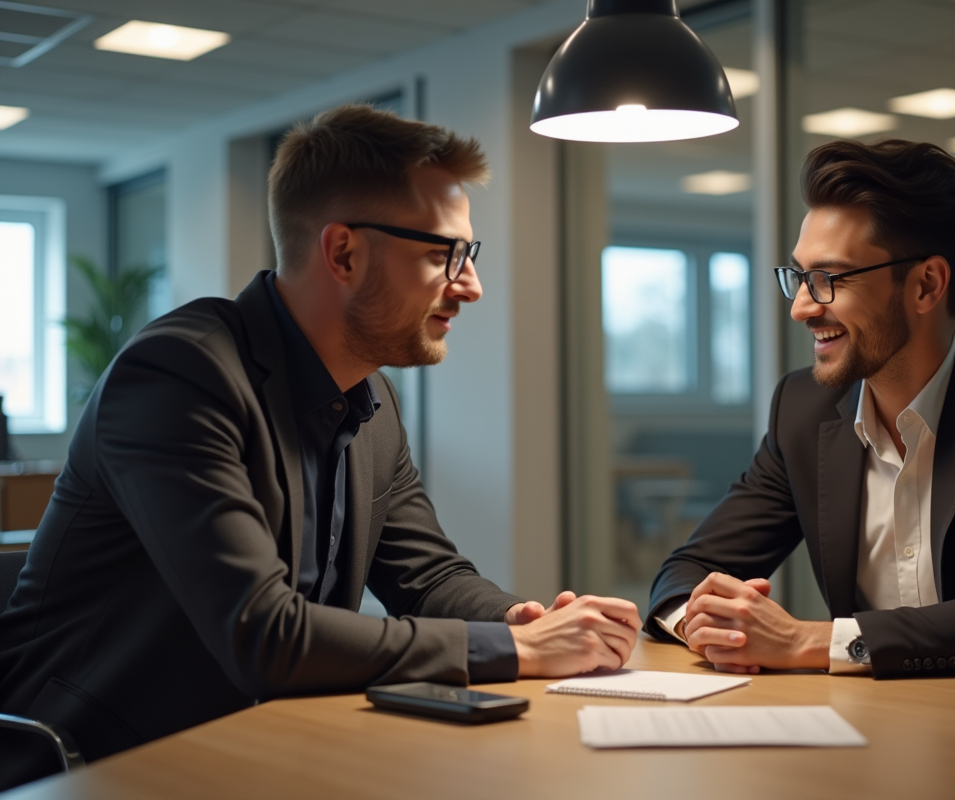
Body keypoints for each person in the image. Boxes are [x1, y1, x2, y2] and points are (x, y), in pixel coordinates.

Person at [0, 104, 640, 787]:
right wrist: (514, 649)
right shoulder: (178, 377)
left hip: (261, 746)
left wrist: (525, 619)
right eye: (441, 254)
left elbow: (427, 577)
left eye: (468, 255)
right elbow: (265, 634)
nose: (471, 286)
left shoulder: (372, 399)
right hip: (92, 763)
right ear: (343, 252)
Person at [646, 138, 955, 684]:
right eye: (798, 276)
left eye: (829, 280)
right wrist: (710, 626)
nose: (801, 307)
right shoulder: (803, 410)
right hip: (892, 725)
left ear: (927, 285)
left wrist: (810, 641)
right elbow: (684, 575)